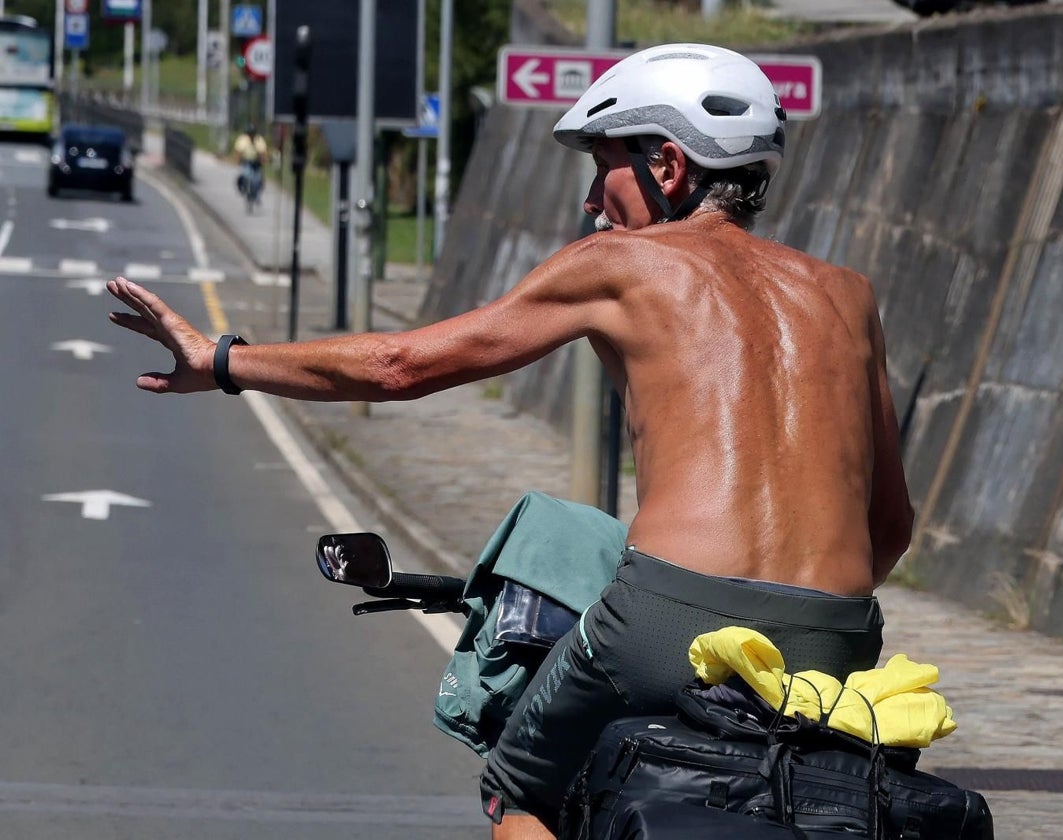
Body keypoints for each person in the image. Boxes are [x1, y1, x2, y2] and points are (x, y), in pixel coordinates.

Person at [107, 43, 913, 840]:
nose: (595, 200)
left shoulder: (622, 264)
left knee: (520, 789)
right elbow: (891, 526)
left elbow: (398, 365)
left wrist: (222, 361)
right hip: (835, 640)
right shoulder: (849, 294)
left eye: (604, 166)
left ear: (668, 165)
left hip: (671, 620)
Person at [232, 124, 268, 201]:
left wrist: (264, 160)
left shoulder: (259, 140)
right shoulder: (242, 140)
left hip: (256, 163)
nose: (251, 135)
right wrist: (237, 160)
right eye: (249, 134)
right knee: (245, 174)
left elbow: (263, 152)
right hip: (246, 162)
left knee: (258, 179)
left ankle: (257, 195)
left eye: (252, 133)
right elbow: (238, 152)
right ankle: (243, 188)